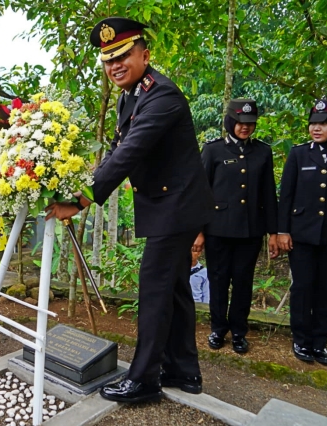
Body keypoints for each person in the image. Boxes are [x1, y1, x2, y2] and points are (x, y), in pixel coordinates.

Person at [45, 17, 214, 403]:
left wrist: (79, 201)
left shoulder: (163, 96)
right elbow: (115, 153)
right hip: (169, 206)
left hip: (178, 208)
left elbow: (130, 153)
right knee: (173, 291)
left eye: (122, 56)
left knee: (154, 289)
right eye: (108, 61)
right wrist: (81, 185)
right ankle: (184, 372)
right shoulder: (132, 95)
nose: (115, 66)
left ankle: (144, 379)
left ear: (145, 55)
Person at [193, 99, 279, 355]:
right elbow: (201, 193)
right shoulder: (213, 150)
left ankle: (239, 331)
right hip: (218, 229)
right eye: (241, 123)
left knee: (243, 282)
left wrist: (273, 232)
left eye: (250, 124)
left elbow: (268, 195)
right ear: (230, 122)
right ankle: (218, 329)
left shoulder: (263, 152)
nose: (245, 128)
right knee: (218, 281)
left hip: (250, 230)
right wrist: (198, 231)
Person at [277, 98, 327, 366]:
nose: (316, 129)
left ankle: (320, 342)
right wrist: (282, 231)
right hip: (302, 235)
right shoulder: (299, 154)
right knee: (303, 287)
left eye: (322, 124)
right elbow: (285, 196)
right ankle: (301, 340)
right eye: (313, 124)